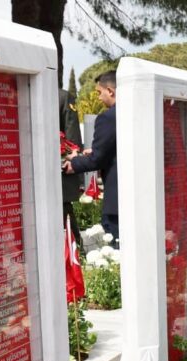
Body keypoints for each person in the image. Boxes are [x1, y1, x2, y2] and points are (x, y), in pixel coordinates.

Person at [65, 71, 118, 243]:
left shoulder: (108, 118)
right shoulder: (139, 112)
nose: (99, 98)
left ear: (110, 91)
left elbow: (98, 160)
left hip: (116, 202)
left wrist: (74, 161)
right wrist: (95, 152)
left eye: (99, 92)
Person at [59, 88, 85, 252]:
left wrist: (72, 160)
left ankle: (77, 254)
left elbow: (72, 134)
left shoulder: (62, 97)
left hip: (59, 168)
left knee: (64, 212)